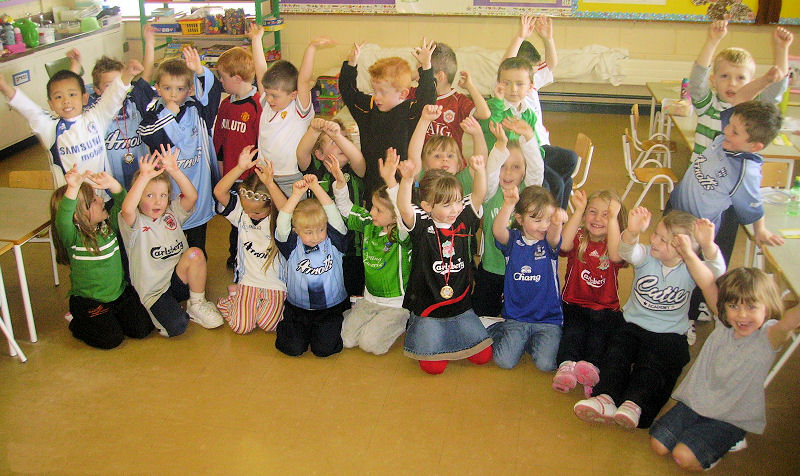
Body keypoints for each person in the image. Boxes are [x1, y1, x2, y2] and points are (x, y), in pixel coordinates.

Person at [573, 209, 726, 430]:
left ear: (682, 250)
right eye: (655, 233)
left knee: (654, 366)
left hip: (669, 332)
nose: (653, 240)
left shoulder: (691, 267)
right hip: (633, 324)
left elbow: (716, 272)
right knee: (616, 354)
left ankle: (634, 404)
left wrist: (708, 245)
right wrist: (633, 232)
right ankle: (605, 398)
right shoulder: (647, 256)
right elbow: (626, 251)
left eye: (663, 240)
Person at [650, 265, 800, 471]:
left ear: (767, 306)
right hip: (697, 403)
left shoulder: (768, 336)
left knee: (682, 456)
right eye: (734, 306)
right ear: (724, 307)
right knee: (658, 444)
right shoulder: (724, 324)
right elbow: (707, 284)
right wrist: (689, 250)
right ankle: (702, 438)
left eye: (751, 307)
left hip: (730, 416)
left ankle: (726, 442)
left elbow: (790, 321)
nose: (742, 315)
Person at [395, 155, 492, 374]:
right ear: (427, 206)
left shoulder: (463, 217)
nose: (455, 209)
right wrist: (407, 180)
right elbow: (403, 208)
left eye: (458, 201)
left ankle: (453, 330)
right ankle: (418, 325)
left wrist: (479, 171)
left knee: (482, 356)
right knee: (433, 366)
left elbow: (478, 195)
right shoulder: (422, 223)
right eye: (447, 205)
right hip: (429, 307)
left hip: (459, 304)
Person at [119, 146, 224, 337]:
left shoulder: (171, 212)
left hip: (177, 281)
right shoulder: (133, 221)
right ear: (138, 196)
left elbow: (191, 197)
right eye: (149, 196)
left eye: (163, 195)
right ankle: (158, 312)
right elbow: (127, 209)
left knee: (196, 253)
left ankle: (197, 303)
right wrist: (143, 177)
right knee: (177, 327)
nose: (158, 202)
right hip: (154, 291)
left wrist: (175, 171)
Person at [50, 166, 153, 349]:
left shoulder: (108, 225)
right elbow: (62, 219)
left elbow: (125, 205)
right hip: (90, 301)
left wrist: (113, 186)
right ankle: (78, 321)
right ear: (78, 214)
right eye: (94, 200)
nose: (101, 200)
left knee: (143, 329)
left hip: (119, 295)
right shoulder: (73, 237)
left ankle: (110, 317)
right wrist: (73, 188)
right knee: (111, 340)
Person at [0, 60, 143, 187]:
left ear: (85, 98)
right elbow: (28, 108)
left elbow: (113, 95)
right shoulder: (50, 127)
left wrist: (127, 74)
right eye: (58, 97)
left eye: (72, 94)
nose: (66, 101)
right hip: (73, 200)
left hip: (103, 196)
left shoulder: (96, 116)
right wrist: (3, 85)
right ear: (50, 104)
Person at [325, 148, 411, 355]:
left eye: (378, 210)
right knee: (345, 339)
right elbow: (346, 207)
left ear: (394, 216)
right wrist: (339, 180)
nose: (371, 212)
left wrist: (391, 180)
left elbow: (402, 211)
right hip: (370, 299)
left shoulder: (404, 234)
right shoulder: (369, 223)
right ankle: (367, 318)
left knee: (371, 345)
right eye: (372, 207)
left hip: (395, 304)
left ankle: (404, 321)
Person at [136, 47, 222, 254]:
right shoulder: (155, 113)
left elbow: (214, 92)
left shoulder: (198, 110)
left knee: (197, 248)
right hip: (169, 193)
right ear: (157, 88)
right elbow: (148, 134)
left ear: (190, 90)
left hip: (198, 190)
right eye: (167, 88)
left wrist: (200, 71)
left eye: (180, 89)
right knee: (170, 245)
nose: (173, 94)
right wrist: (168, 113)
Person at [339, 38, 437, 205]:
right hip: (373, 189)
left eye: (383, 92)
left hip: (402, 190)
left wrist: (426, 68)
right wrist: (351, 64)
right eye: (374, 90)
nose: (376, 96)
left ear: (403, 93)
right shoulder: (369, 108)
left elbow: (427, 99)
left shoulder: (410, 111)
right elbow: (348, 92)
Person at [552, 190, 626, 397]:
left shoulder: (616, 243)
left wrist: (613, 220)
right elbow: (563, 245)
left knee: (598, 340)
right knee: (572, 334)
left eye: (606, 214)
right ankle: (567, 366)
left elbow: (615, 255)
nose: (598, 218)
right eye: (592, 212)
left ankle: (590, 371)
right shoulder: (578, 236)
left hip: (605, 308)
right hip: (574, 303)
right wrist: (578, 212)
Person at [688, 17, 792, 162]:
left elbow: (775, 91)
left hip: (730, 181)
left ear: (751, 82)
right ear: (713, 80)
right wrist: (712, 41)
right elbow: (697, 81)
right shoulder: (708, 107)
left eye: (740, 78)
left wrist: (782, 49)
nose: (732, 83)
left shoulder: (752, 113)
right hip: (700, 180)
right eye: (724, 76)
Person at [66, 25, 158, 189]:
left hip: (141, 172)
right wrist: (74, 65)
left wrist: (149, 43)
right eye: (110, 86)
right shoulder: (95, 110)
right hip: (111, 177)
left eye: (121, 83)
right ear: (97, 90)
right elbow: (70, 92)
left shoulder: (133, 99)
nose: (118, 90)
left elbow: (147, 74)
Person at [471, 118, 544, 319]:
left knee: (516, 317)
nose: (508, 172)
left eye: (516, 167)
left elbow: (537, 170)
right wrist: (500, 147)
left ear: (524, 172)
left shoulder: (527, 194)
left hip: (521, 271)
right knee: (481, 317)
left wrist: (529, 138)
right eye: (504, 166)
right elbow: (491, 171)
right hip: (490, 269)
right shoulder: (490, 193)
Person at [503, 14, 578, 210]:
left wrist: (548, 38)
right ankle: (553, 219)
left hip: (542, 147)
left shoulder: (532, 85)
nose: (537, 74)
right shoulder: (509, 91)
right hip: (527, 153)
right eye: (533, 70)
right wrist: (519, 37)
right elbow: (507, 64)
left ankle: (556, 217)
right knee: (559, 184)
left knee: (570, 162)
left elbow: (551, 64)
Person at [489, 185, 566, 371]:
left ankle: (528, 342)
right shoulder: (513, 240)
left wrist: (556, 223)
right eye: (536, 219)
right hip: (516, 317)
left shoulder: (548, 242)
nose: (544, 225)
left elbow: (555, 238)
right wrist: (508, 204)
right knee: (504, 362)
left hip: (548, 320)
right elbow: (498, 231)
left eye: (548, 219)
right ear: (520, 219)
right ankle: (498, 328)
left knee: (546, 365)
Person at [213, 146, 287, 334]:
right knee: (241, 327)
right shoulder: (242, 214)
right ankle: (233, 298)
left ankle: (249, 304)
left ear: (270, 206)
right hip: (248, 282)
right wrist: (239, 167)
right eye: (246, 210)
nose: (250, 215)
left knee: (268, 324)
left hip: (275, 286)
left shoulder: (279, 219)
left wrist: (270, 184)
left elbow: (289, 212)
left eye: (257, 212)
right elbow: (219, 192)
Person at [274, 175, 349, 357]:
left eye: (321, 229)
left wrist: (315, 187)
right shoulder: (291, 244)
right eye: (308, 232)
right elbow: (283, 221)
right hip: (298, 309)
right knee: (292, 348)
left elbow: (333, 213)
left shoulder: (335, 241)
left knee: (324, 350)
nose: (315, 236)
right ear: (296, 231)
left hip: (330, 308)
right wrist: (296, 194)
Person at [253, 36, 332, 197]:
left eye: (275, 95)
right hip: (265, 175)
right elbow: (261, 70)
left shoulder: (298, 111)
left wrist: (312, 47)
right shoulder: (267, 105)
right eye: (267, 93)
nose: (269, 99)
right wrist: (256, 39)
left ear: (293, 95)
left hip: (291, 179)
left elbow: (303, 80)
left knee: (293, 219)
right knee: (269, 219)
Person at [214, 23, 265, 269]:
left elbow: (261, 143)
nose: (220, 82)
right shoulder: (226, 104)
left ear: (236, 78)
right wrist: (221, 169)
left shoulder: (256, 105)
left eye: (222, 78)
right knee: (233, 217)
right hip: (230, 175)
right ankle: (235, 255)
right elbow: (220, 142)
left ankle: (251, 254)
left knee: (250, 217)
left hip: (251, 177)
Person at [297, 117, 367, 297]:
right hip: (322, 245)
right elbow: (302, 153)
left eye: (345, 139)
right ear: (319, 154)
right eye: (334, 142)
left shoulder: (355, 170)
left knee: (354, 290)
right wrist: (313, 130)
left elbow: (357, 157)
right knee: (328, 290)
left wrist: (337, 136)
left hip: (354, 247)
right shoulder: (316, 169)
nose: (341, 144)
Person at [407, 42, 490, 165]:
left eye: (422, 72)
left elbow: (485, 114)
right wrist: (413, 75)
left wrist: (470, 86)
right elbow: (394, 87)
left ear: (440, 76)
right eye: (420, 72)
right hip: (423, 167)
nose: (419, 77)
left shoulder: (458, 101)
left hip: (452, 167)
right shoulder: (416, 94)